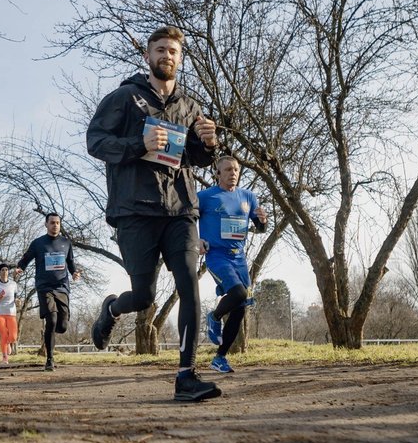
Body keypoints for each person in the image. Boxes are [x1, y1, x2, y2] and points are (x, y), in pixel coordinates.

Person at [87, 25, 222, 402]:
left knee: (189, 286)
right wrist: (138, 143)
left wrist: (209, 145)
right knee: (143, 296)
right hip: (135, 209)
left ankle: (186, 376)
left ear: (180, 59)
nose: (167, 55)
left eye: (174, 51)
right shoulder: (124, 97)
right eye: (160, 49)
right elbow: (95, 141)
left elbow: (193, 156)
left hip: (180, 208)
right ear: (148, 56)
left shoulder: (189, 105)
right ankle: (112, 308)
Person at [199, 156, 268, 373]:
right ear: (217, 174)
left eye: (236, 169)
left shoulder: (248, 197)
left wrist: (262, 221)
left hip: (239, 257)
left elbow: (260, 226)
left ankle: (220, 358)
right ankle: (214, 316)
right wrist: (195, 239)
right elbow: (186, 218)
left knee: (240, 309)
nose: (233, 173)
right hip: (217, 256)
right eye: (228, 170)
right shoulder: (205, 197)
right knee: (238, 293)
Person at [15, 212, 80, 371]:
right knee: (51, 320)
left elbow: (70, 261)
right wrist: (20, 267)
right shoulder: (38, 243)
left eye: (57, 223)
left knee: (62, 326)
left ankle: (52, 331)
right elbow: (27, 257)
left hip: (62, 287)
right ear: (46, 224)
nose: (55, 225)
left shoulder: (66, 242)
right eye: (52, 222)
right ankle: (50, 359)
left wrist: (74, 272)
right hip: (45, 287)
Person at [0, 262, 19, 365]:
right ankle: (5, 357)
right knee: (3, 334)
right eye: (2, 270)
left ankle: (8, 344)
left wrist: (18, 301)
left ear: (8, 272)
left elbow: (15, 297)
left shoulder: (13, 284)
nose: (5, 271)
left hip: (11, 312)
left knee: (13, 337)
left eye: (6, 270)